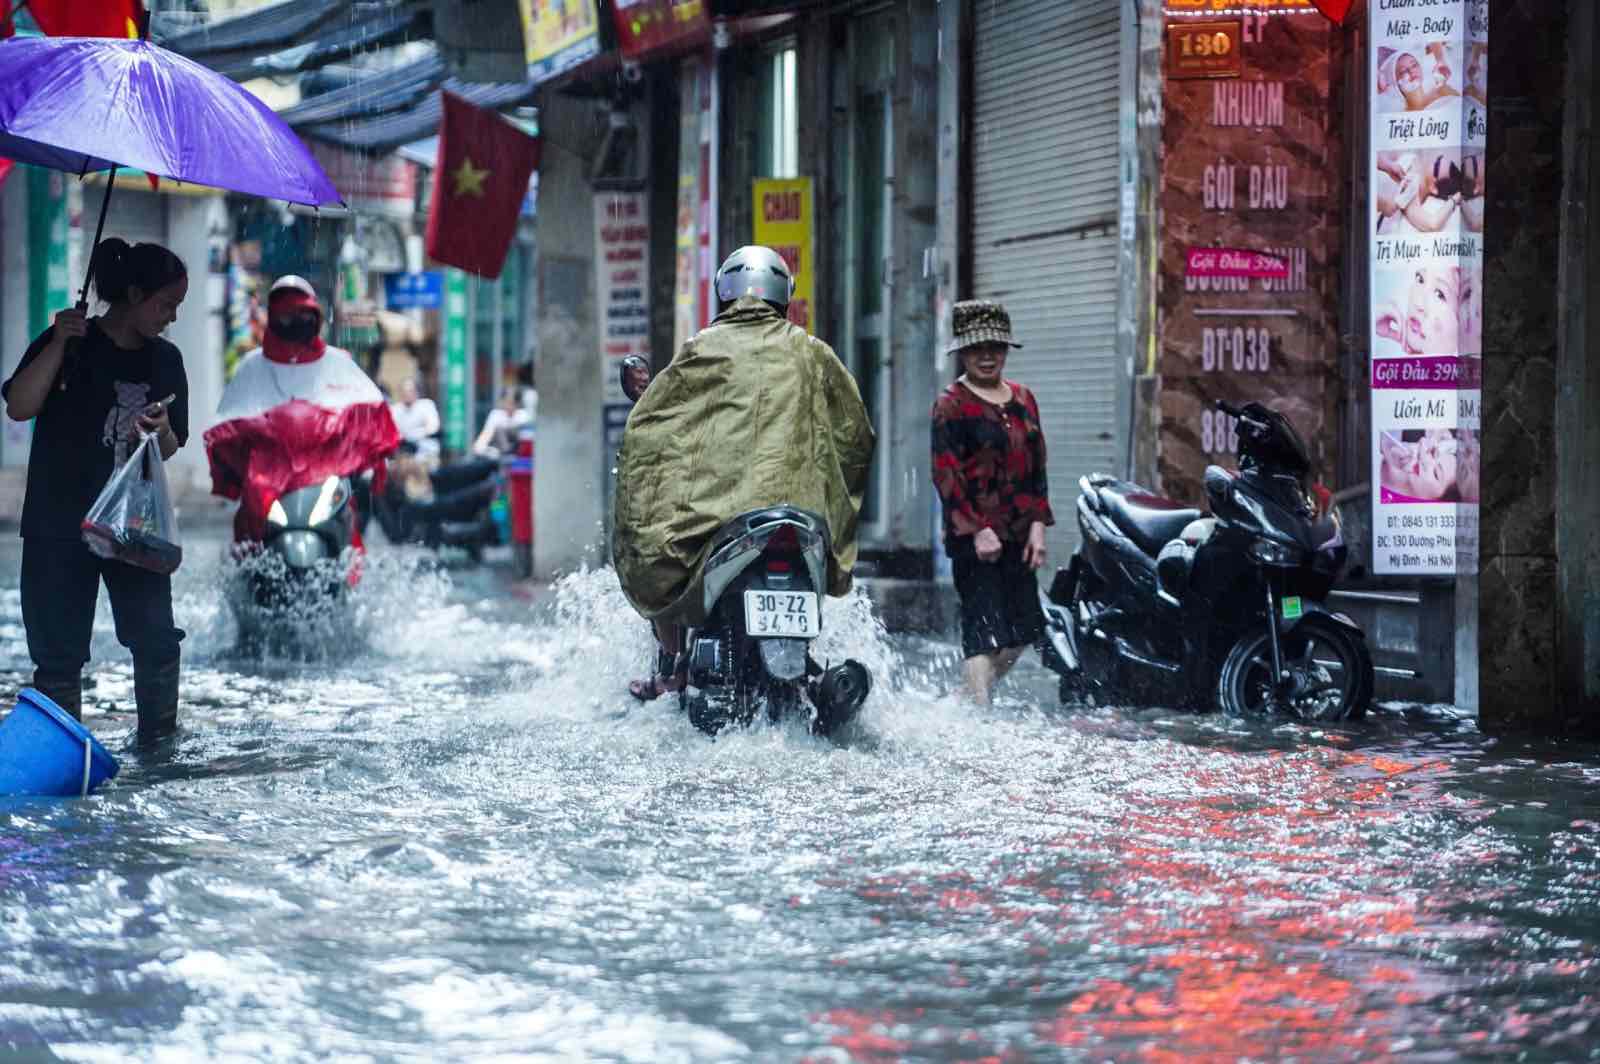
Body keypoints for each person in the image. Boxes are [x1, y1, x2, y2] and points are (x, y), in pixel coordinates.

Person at [613, 246, 874, 701]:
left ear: (725, 293)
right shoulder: (813, 353)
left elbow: (651, 427)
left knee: (655, 550)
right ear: (784, 295)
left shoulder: (703, 349)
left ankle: (673, 665)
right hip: (802, 517)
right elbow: (855, 433)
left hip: (721, 520)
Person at [2, 237, 189, 742]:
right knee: (59, 655)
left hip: (133, 527)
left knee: (155, 639)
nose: (170, 317)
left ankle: (158, 747)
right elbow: (18, 406)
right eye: (164, 304)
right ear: (133, 292)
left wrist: (160, 429)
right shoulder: (71, 343)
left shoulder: (165, 361)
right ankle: (64, 758)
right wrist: (60, 342)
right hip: (58, 525)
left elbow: (170, 447)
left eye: (176, 306)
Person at [205, 275, 400, 547]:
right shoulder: (253, 365)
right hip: (266, 487)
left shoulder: (336, 362)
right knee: (251, 542)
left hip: (326, 481)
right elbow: (225, 429)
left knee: (346, 533)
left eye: (301, 314)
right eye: (286, 315)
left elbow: (373, 413)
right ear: (273, 317)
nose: (294, 321)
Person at [931, 299, 1054, 705]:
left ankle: (965, 700)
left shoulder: (1024, 399)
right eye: (977, 348)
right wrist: (978, 529)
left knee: (1024, 631)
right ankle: (978, 718)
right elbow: (946, 475)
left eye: (995, 347)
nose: (987, 356)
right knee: (983, 629)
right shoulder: (951, 404)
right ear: (963, 352)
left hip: (1020, 531)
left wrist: (1038, 525)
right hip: (975, 538)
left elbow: (1038, 467)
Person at [389, 376, 441, 460]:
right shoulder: (394, 409)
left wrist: (414, 434)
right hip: (403, 449)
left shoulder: (426, 405)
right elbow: (392, 432)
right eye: (404, 391)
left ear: (416, 392)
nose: (407, 394)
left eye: (410, 391)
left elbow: (433, 427)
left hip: (425, 448)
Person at [472, 388, 529, 457]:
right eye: (505, 402)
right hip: (501, 452)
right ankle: (507, 453)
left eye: (511, 403)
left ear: (517, 404)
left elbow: (526, 437)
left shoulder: (523, 415)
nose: (508, 405)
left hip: (520, 453)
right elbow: (486, 434)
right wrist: (479, 447)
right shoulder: (496, 414)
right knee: (499, 430)